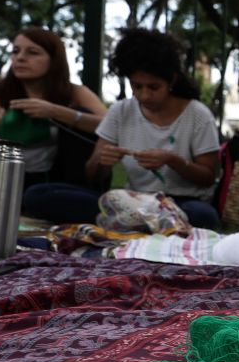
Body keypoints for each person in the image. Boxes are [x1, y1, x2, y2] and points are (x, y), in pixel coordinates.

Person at [81, 28, 221, 229]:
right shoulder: (121, 111)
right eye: (137, 86)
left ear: (171, 81)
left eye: (153, 87)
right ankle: (148, 223)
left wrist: (173, 160)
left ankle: (135, 223)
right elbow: (91, 175)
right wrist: (102, 160)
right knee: (42, 195)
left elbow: (208, 178)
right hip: (135, 200)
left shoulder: (197, 114)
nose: (144, 96)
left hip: (182, 202)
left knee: (203, 216)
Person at [0, 27, 107, 216]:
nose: (20, 58)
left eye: (32, 52)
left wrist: (58, 112)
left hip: (56, 181)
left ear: (54, 60)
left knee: (81, 114)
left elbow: (110, 128)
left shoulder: (74, 92)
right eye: (15, 51)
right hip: (3, 179)